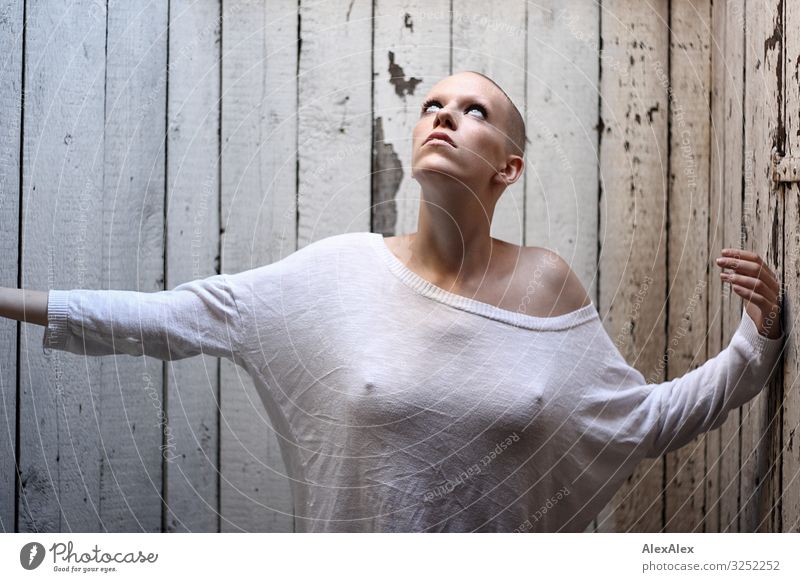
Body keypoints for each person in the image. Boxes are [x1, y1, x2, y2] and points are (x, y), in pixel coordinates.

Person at [0, 71, 785, 532]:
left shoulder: (546, 284)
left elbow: (642, 421)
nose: (444, 114)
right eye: (433, 105)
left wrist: (758, 340)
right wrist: (14, 301)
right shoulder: (340, 274)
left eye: (474, 111)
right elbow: (180, 316)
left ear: (507, 170)